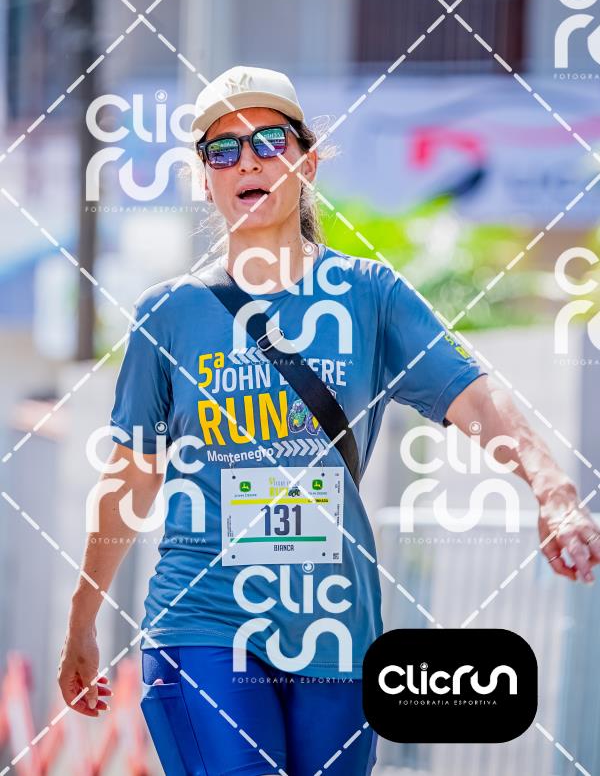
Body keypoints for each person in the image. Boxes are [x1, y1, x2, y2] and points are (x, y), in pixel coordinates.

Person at [58, 65, 600, 775]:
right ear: (205, 180)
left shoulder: (369, 295)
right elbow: (131, 474)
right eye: (222, 150)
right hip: (204, 618)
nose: (247, 161)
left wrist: (553, 490)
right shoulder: (171, 314)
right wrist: (82, 619)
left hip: (337, 630)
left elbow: (472, 396)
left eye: (269, 142)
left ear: (306, 163)